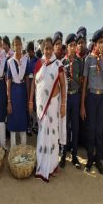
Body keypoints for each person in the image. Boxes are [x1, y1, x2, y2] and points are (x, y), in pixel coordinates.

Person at [29, 37, 67, 183]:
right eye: (46, 48)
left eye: (51, 48)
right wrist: (31, 100)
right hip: (41, 105)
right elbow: (34, 83)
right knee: (42, 134)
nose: (49, 50)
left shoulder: (58, 64)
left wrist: (63, 104)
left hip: (53, 106)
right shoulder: (39, 63)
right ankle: (42, 163)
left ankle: (52, 165)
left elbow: (63, 85)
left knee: (52, 135)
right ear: (43, 48)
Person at [81, 30, 103, 174]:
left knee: (100, 130)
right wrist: (82, 105)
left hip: (102, 97)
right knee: (91, 130)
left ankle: (98, 159)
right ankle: (90, 159)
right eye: (100, 43)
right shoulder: (89, 60)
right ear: (95, 44)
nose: (102, 45)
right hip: (92, 97)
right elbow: (85, 83)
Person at [60, 34, 83, 169]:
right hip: (66, 97)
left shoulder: (80, 63)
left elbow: (81, 80)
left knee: (75, 126)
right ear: (67, 47)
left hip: (75, 97)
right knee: (64, 126)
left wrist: (75, 80)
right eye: (71, 45)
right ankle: (63, 154)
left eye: (75, 45)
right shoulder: (62, 62)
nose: (73, 48)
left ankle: (74, 155)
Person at [6, 36, 29, 148]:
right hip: (14, 93)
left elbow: (28, 80)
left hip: (23, 92)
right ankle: (14, 149)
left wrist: (29, 98)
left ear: (22, 45)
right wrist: (9, 100)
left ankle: (23, 147)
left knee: (23, 119)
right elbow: (8, 82)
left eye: (19, 44)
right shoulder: (10, 62)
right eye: (16, 44)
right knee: (13, 118)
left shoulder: (26, 60)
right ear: (13, 46)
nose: (18, 46)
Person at [26, 41, 39, 135]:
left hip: (35, 86)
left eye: (31, 51)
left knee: (34, 106)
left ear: (33, 51)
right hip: (27, 85)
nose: (29, 53)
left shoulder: (37, 60)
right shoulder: (25, 60)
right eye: (28, 51)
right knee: (28, 106)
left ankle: (34, 125)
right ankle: (29, 126)